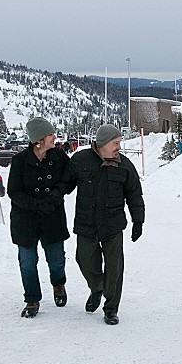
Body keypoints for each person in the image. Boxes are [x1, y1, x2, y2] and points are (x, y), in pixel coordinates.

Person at [64, 124, 145, 325]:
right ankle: (97, 288)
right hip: (86, 224)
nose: (119, 147)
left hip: (113, 225)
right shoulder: (80, 160)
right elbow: (64, 184)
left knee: (114, 268)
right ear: (103, 144)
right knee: (84, 260)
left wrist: (138, 221)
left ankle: (111, 308)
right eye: (116, 143)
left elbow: (135, 195)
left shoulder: (124, 165)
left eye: (120, 142)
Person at [8, 117, 71, 318]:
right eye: (50, 134)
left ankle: (58, 284)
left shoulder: (59, 157)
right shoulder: (20, 161)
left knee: (56, 259)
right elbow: (14, 191)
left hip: (52, 216)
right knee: (27, 262)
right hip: (25, 219)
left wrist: (54, 196)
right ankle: (32, 299)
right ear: (39, 139)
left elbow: (70, 179)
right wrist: (36, 205)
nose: (54, 137)